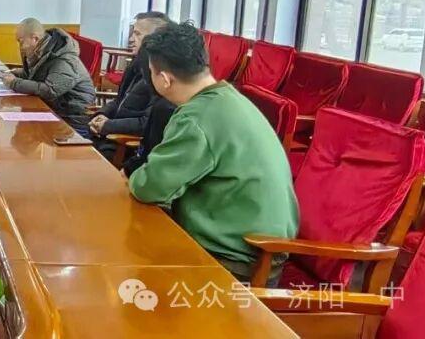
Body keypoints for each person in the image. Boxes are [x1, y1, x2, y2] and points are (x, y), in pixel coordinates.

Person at [128, 23, 299, 285]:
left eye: (151, 72)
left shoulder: (196, 119)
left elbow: (149, 187)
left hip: (237, 260)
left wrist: (135, 177)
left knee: (132, 264)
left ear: (164, 79)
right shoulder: (228, 98)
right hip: (259, 247)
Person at [90, 12, 170, 160]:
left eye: (137, 34)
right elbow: (118, 101)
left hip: (123, 144)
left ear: (156, 39)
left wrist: (108, 126)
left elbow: (146, 123)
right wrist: (101, 115)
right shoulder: (135, 64)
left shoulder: (161, 76)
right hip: (108, 134)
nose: (131, 39)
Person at [0, 18, 96, 134]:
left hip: (72, 118)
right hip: (53, 108)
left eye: (20, 41)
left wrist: (14, 83)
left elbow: (50, 90)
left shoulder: (64, 58)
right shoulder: (41, 51)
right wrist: (14, 73)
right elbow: (33, 75)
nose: (20, 46)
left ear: (35, 38)